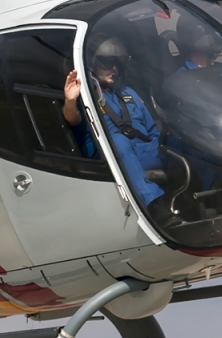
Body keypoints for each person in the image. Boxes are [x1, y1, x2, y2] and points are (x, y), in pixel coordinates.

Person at [62, 37, 168, 212]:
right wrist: (70, 100)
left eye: (118, 63)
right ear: (92, 63)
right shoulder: (86, 96)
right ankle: (155, 207)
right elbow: (72, 119)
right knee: (118, 141)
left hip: (144, 151)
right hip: (111, 157)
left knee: (178, 140)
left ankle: (212, 193)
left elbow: (153, 131)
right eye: (107, 61)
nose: (114, 68)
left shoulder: (128, 93)